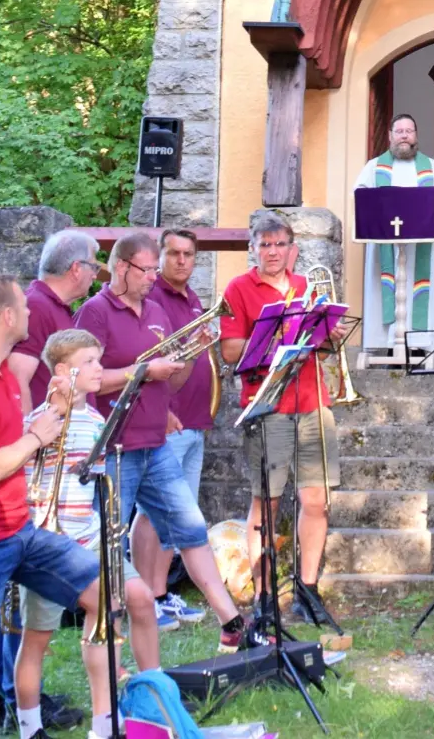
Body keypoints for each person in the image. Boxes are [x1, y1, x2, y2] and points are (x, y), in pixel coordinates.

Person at [0, 274, 114, 739]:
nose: (33, 315)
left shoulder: (2, 374)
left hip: (21, 531)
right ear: (8, 316)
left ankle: (96, 720)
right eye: (25, 309)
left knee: (105, 593)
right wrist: (39, 436)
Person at [76, 232, 247, 651]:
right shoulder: (95, 312)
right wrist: (143, 372)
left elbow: (171, 378)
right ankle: (111, 621)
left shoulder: (154, 309)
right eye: (147, 269)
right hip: (116, 445)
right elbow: (87, 379)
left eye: (156, 269)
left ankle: (232, 621)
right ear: (121, 268)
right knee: (109, 536)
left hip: (155, 442)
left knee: (190, 527)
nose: (154, 277)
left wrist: (186, 357)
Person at [15, 329, 161, 739]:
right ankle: (30, 728)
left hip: (90, 537)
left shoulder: (97, 419)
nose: (101, 369)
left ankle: (148, 696)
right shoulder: (39, 421)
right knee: (37, 639)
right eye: (91, 362)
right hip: (48, 542)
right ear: (63, 370)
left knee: (139, 598)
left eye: (100, 360)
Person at [219, 211, 341, 623]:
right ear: (252, 249)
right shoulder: (239, 288)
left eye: (279, 244)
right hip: (268, 403)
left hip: (312, 401)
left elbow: (321, 349)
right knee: (265, 504)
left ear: (293, 250)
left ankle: (307, 590)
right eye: (264, 244)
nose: (272, 252)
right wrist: (276, 336)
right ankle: (265, 596)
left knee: (317, 500)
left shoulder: (307, 288)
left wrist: (328, 335)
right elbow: (232, 352)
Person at [140, 227, 215, 625]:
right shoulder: (153, 297)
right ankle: (145, 596)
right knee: (154, 513)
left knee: (176, 515)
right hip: (167, 422)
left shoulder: (192, 298)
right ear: (161, 256)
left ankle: (160, 592)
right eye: (173, 254)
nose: (181, 261)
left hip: (194, 420)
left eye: (188, 254)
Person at [353, 113, 434, 353]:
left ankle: (421, 346)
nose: (404, 135)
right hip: (385, 248)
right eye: (398, 131)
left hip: (423, 246)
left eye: (408, 131)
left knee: (422, 287)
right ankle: (387, 346)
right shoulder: (373, 167)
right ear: (390, 136)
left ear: (415, 135)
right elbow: (360, 195)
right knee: (386, 288)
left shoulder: (433, 167)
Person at [7, 229, 102, 412]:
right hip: (46, 435)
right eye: (93, 267)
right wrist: (30, 434)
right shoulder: (36, 307)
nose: (95, 275)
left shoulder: (53, 306)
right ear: (76, 268)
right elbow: (17, 377)